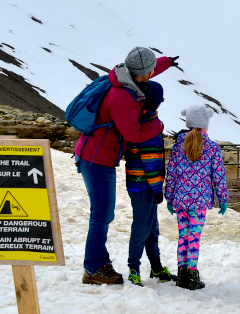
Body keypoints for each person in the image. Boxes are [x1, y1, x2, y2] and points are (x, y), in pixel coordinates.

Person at [75, 46, 177, 285]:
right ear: (142, 73)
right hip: (97, 159)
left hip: (95, 154)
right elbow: (134, 133)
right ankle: (92, 269)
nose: (152, 73)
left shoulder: (125, 74)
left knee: (102, 213)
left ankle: (100, 261)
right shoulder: (122, 96)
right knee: (101, 215)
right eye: (151, 70)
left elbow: (148, 68)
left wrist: (168, 62)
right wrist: (159, 126)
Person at [165, 105, 228, 290]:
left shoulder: (178, 146)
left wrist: (169, 198)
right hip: (200, 202)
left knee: (182, 236)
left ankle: (182, 273)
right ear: (205, 124)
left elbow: (172, 174)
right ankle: (192, 274)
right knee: (194, 237)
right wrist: (223, 199)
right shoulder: (212, 148)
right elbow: (219, 176)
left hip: (181, 199)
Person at [124, 80, 178, 286]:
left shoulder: (138, 119)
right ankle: (134, 269)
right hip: (144, 185)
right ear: (159, 101)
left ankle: (155, 267)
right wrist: (157, 189)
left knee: (151, 227)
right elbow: (150, 159)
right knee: (141, 227)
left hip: (138, 183)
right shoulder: (150, 124)